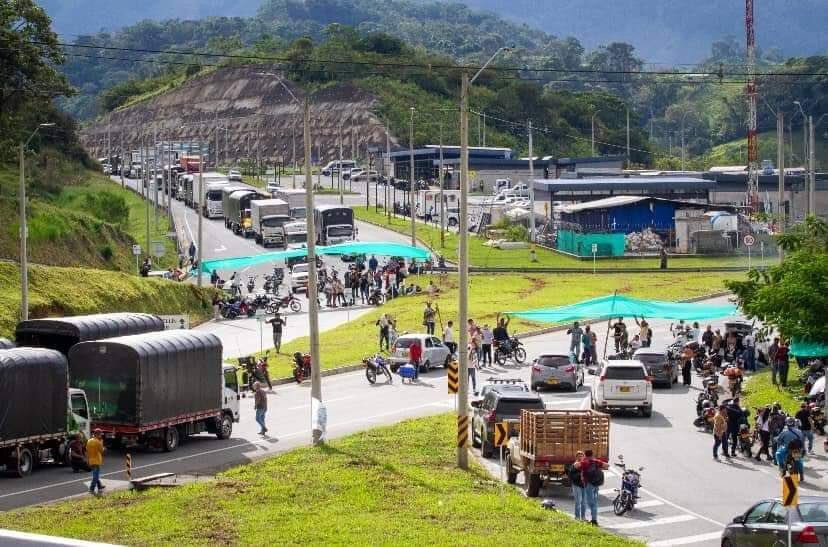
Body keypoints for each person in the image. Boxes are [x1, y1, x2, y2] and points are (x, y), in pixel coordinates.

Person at [574, 449, 608, 526]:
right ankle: (594, 519)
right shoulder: (596, 461)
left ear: (585, 455)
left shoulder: (585, 462)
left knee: (591, 503)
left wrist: (578, 461)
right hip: (596, 484)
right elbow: (607, 465)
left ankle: (594, 520)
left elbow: (576, 466)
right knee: (595, 502)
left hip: (588, 484)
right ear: (592, 454)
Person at [568, 451, 587, 521]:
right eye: (579, 456)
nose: (580, 457)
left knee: (584, 502)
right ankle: (577, 517)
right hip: (577, 485)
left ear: (584, 457)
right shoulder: (574, 465)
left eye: (581, 456)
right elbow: (570, 476)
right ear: (576, 457)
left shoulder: (585, 465)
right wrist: (580, 475)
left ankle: (583, 517)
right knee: (578, 501)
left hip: (584, 486)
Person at [86, 428, 105, 495]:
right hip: (96, 461)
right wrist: (102, 444)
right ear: (97, 434)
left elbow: (87, 451)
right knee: (95, 476)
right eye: (100, 434)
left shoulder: (89, 441)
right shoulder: (98, 442)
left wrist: (87, 460)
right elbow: (102, 451)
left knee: (95, 474)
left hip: (91, 460)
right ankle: (91, 488)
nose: (101, 436)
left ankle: (99, 486)